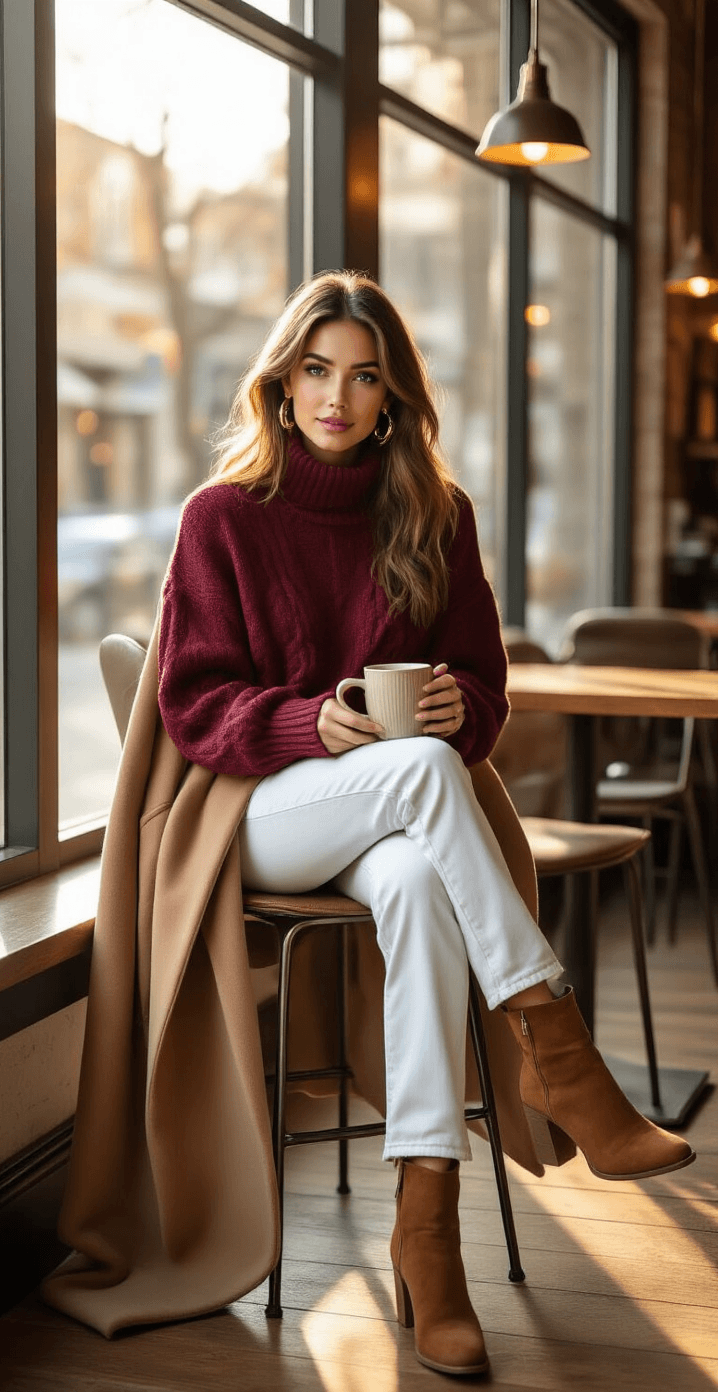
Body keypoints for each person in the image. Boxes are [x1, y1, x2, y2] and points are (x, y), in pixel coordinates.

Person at [157, 270, 695, 1379]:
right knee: (413, 775)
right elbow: (192, 704)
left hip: (394, 813)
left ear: (393, 396)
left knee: (412, 881)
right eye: (315, 371)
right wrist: (311, 721)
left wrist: (460, 706)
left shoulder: (436, 516)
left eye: (362, 377)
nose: (335, 398)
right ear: (282, 381)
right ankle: (559, 1054)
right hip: (259, 808)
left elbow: (486, 692)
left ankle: (428, 1235)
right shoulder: (221, 518)